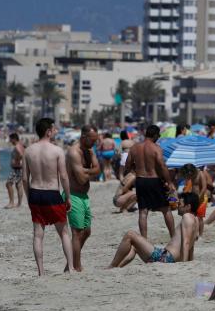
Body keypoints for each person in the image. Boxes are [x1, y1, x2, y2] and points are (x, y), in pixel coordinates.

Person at [23, 118, 74, 276]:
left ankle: (41, 271)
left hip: (35, 193)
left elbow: (25, 178)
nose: (56, 131)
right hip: (52, 193)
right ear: (48, 131)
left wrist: (28, 197)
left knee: (38, 234)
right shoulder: (57, 151)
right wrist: (68, 197)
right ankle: (71, 268)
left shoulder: (28, 151)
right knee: (64, 232)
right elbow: (64, 176)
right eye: (54, 129)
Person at [109, 193, 201, 267]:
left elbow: (186, 242)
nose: (177, 206)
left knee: (130, 234)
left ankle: (112, 266)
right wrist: (190, 261)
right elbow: (191, 245)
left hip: (165, 258)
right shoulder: (195, 220)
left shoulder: (187, 217)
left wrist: (184, 265)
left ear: (188, 206)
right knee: (134, 247)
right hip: (166, 257)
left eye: (180, 204)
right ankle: (117, 268)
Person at [124, 124, 175, 238]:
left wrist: (136, 171)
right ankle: (173, 236)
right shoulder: (156, 148)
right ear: (156, 135)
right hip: (154, 180)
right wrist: (169, 182)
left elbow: (127, 165)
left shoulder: (135, 148)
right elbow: (162, 165)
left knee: (143, 211)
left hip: (140, 180)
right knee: (166, 210)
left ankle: (144, 240)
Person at [65, 125, 103, 272]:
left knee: (87, 231)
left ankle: (71, 262)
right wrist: (89, 171)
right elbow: (80, 179)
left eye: (95, 140)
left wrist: (85, 170)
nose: (94, 143)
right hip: (73, 195)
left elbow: (98, 170)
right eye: (92, 140)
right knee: (77, 232)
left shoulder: (89, 150)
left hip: (84, 196)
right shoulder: (74, 152)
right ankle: (76, 266)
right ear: (83, 137)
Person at [5, 132, 25, 209]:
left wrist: (17, 160)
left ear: (14, 139)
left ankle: (11, 202)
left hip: (16, 169)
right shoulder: (21, 145)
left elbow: (21, 155)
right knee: (18, 185)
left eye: (11, 139)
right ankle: (19, 203)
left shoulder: (17, 146)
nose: (10, 141)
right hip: (20, 168)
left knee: (8, 184)